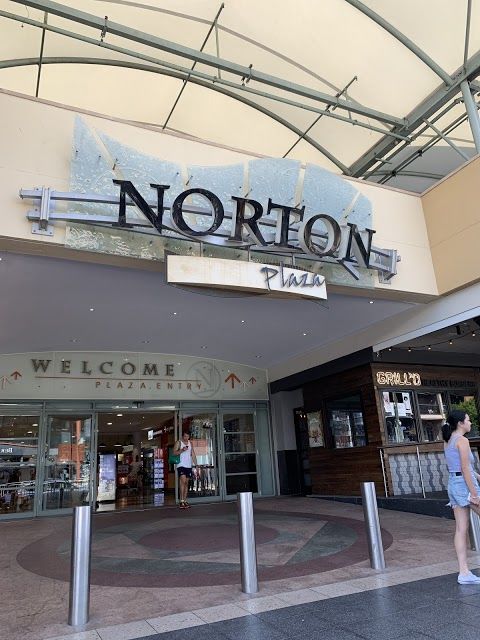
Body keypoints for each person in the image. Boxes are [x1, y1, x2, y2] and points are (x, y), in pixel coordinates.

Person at [443, 410, 480, 584]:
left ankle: (463, 573)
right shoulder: (462, 441)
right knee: (461, 528)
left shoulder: (448, 440)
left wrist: (478, 478)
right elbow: (465, 469)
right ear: (460, 423)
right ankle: (464, 573)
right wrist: (474, 494)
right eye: (468, 420)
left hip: (454, 484)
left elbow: (462, 468)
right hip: (464, 485)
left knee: (461, 528)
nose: (470, 422)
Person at [174, 432, 197, 509]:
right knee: (183, 481)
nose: (186, 438)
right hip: (181, 465)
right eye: (185, 436)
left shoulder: (190, 443)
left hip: (188, 465)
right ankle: (181, 501)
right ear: (182, 436)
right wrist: (182, 450)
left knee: (186, 483)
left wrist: (196, 465)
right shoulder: (179, 442)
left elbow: (193, 454)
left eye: (187, 436)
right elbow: (174, 453)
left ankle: (185, 500)